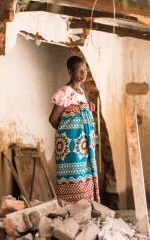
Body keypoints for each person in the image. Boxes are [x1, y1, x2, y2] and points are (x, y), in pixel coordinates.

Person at [49, 56, 100, 203]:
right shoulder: (65, 92)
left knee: (84, 176)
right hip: (71, 147)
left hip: (83, 146)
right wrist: (69, 134)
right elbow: (53, 119)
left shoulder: (81, 93)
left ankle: (84, 209)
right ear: (70, 72)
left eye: (85, 70)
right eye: (79, 71)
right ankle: (69, 209)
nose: (83, 74)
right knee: (73, 176)